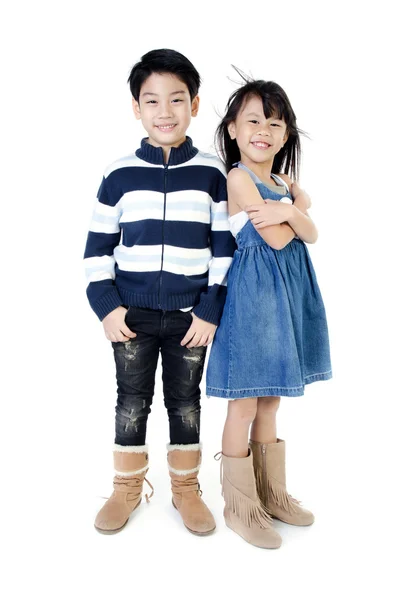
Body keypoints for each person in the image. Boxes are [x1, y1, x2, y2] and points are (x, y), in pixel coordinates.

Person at [84, 49, 235, 535]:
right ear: (136, 108)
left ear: (193, 103)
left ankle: (186, 489)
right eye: (152, 101)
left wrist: (211, 309)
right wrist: (106, 307)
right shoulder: (118, 173)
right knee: (131, 401)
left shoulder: (213, 174)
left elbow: (225, 250)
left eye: (176, 100)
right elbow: (96, 250)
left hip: (191, 318)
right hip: (131, 316)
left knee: (186, 402)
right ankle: (127, 487)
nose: (164, 112)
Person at [206, 76, 332, 548]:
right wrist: (296, 212)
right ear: (234, 129)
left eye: (274, 123)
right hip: (255, 296)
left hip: (287, 295)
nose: (264, 129)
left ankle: (270, 493)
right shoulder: (239, 177)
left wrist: (294, 212)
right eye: (253, 120)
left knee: (272, 397)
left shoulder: (281, 182)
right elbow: (277, 239)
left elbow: (311, 234)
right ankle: (240, 506)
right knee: (245, 401)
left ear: (286, 134)